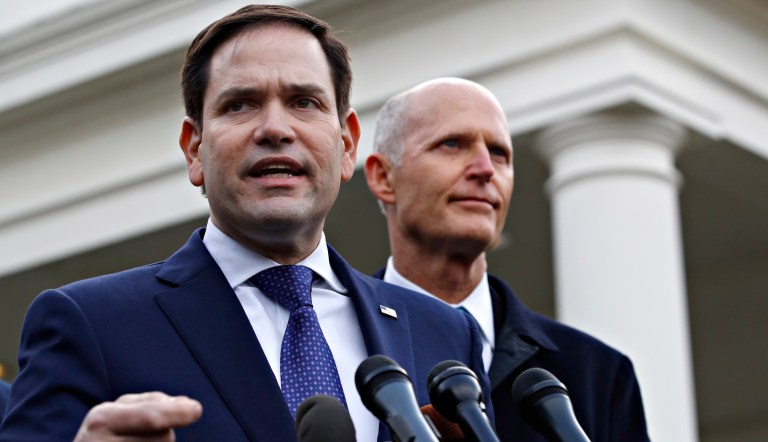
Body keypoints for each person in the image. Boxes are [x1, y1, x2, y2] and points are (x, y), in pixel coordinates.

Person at [0, 7, 490, 441]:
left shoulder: (447, 334)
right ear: (195, 150)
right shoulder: (91, 324)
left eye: (304, 102)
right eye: (240, 104)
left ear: (346, 145)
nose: (275, 129)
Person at [365, 77, 650, 441]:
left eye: (499, 153)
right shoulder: (330, 346)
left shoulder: (599, 374)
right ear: (383, 176)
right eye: (452, 144)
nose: (485, 169)